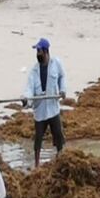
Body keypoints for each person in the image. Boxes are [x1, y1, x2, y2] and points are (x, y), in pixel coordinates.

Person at [22, 38, 67, 168]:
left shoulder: (56, 64)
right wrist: (26, 99)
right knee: (38, 139)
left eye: (39, 51)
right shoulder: (34, 71)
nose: (38, 54)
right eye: (37, 52)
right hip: (40, 110)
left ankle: (61, 158)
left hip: (53, 108)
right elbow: (29, 89)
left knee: (58, 136)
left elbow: (62, 77)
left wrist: (62, 90)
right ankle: (37, 164)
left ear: (46, 52)